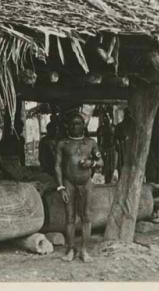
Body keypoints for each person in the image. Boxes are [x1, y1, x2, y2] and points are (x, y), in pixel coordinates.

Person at [55, 112, 103, 263]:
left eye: (79, 123)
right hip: (69, 183)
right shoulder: (63, 144)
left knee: (86, 217)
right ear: (68, 126)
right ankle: (70, 249)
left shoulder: (90, 143)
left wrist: (92, 164)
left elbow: (101, 161)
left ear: (84, 126)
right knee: (69, 217)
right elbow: (57, 166)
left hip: (86, 183)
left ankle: (84, 250)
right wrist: (61, 187)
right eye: (73, 123)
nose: (76, 126)